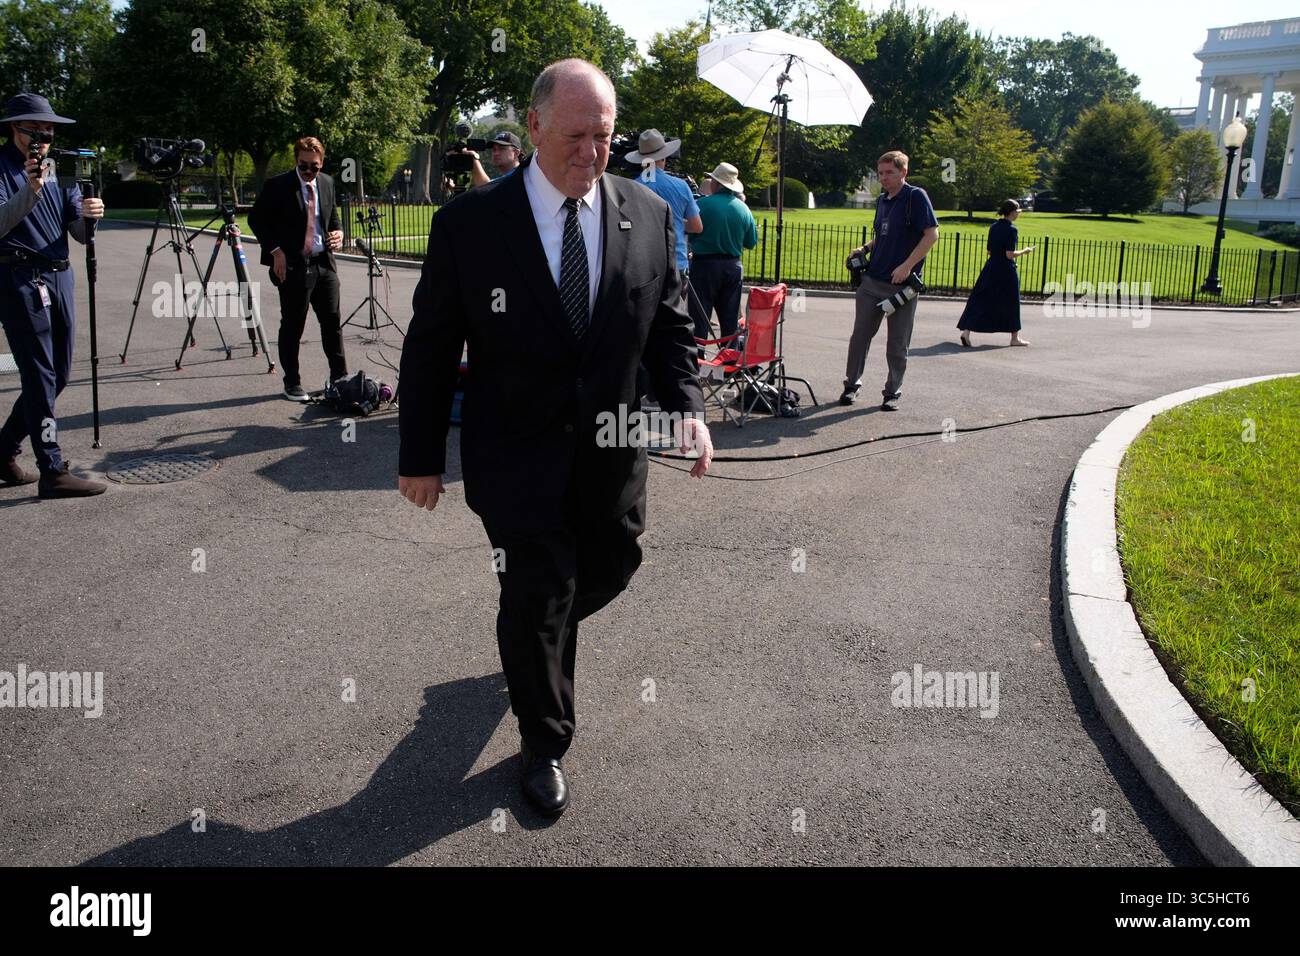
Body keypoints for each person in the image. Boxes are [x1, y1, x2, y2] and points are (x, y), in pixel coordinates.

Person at [397, 59, 714, 818]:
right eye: (574, 136)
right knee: (538, 593)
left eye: (603, 137)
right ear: (533, 126)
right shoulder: (471, 224)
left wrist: (688, 406)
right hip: (516, 459)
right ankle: (544, 741)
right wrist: (419, 456)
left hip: (614, 450)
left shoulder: (648, 211)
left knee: (611, 564)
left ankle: (531, 639)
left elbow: (669, 324)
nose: (590, 153)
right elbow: (432, 345)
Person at [0, 93, 106, 497]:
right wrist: (30, 190)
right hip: (19, 279)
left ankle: (3, 448)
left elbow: (78, 232)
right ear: (15, 129)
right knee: (39, 375)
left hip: (60, 277)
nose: (43, 138)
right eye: (35, 130)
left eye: (48, 131)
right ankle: (52, 469)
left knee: (57, 374)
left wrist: (90, 215)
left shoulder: (58, 170)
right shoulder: (2, 167)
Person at [839, 150, 939, 411]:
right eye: (881, 173)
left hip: (903, 286)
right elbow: (883, 235)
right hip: (872, 281)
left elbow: (931, 235)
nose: (883, 178)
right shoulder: (883, 200)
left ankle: (892, 392)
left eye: (889, 173)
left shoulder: (915, 197)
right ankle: (852, 385)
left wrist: (907, 266)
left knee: (897, 343)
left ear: (903, 172)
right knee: (859, 336)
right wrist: (864, 248)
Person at [248, 136, 346, 401]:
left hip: (324, 264)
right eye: (303, 166)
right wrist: (275, 251)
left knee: (332, 323)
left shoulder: (326, 183)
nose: (308, 172)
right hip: (292, 266)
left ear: (321, 163)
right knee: (293, 325)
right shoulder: (278, 185)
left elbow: (333, 217)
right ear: (296, 161)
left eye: (313, 167)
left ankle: (340, 378)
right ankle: (292, 381)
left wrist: (339, 233)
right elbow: (256, 219)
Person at [624, 128, 703, 402]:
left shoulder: (632, 187)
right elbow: (696, 226)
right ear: (663, 159)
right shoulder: (680, 187)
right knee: (675, 332)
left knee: (642, 331)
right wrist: (671, 221)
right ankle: (674, 390)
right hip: (676, 265)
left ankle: (645, 388)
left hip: (641, 267)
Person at [691, 162, 757, 344]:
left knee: (700, 317)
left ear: (716, 183)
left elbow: (690, 232)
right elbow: (751, 242)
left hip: (704, 264)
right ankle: (730, 360)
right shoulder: (744, 209)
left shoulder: (702, 204)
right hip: (733, 266)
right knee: (730, 319)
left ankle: (698, 360)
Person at [957, 199, 1034, 347]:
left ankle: (966, 332)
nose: (1018, 214)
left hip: (991, 267)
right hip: (1006, 270)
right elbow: (1009, 255)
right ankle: (1014, 338)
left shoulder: (994, 227)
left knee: (980, 299)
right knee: (1012, 302)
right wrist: (1025, 251)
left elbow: (989, 251)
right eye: (1017, 211)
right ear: (1012, 213)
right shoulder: (1012, 230)